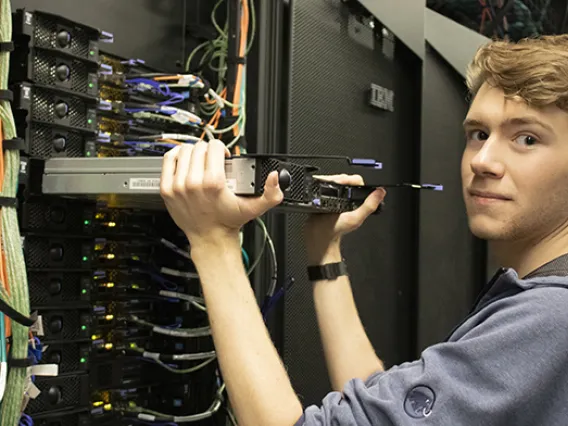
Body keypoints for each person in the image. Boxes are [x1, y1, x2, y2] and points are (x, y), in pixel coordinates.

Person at [159, 34, 568, 426]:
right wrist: (325, 255)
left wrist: (214, 242)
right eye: (478, 134)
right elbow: (381, 407)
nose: (484, 160)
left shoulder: (548, 318)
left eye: (527, 138)